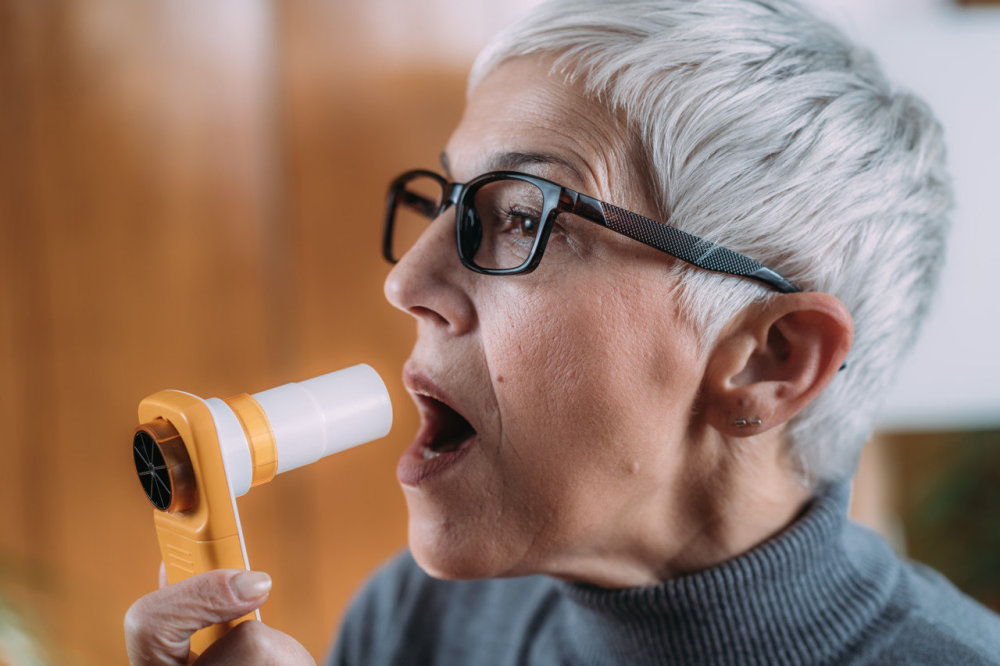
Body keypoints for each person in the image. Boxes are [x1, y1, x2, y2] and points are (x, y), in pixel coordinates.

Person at [124, 0, 1000, 663]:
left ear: (771, 359)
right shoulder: (417, 625)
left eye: (521, 217)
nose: (407, 281)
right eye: (447, 200)